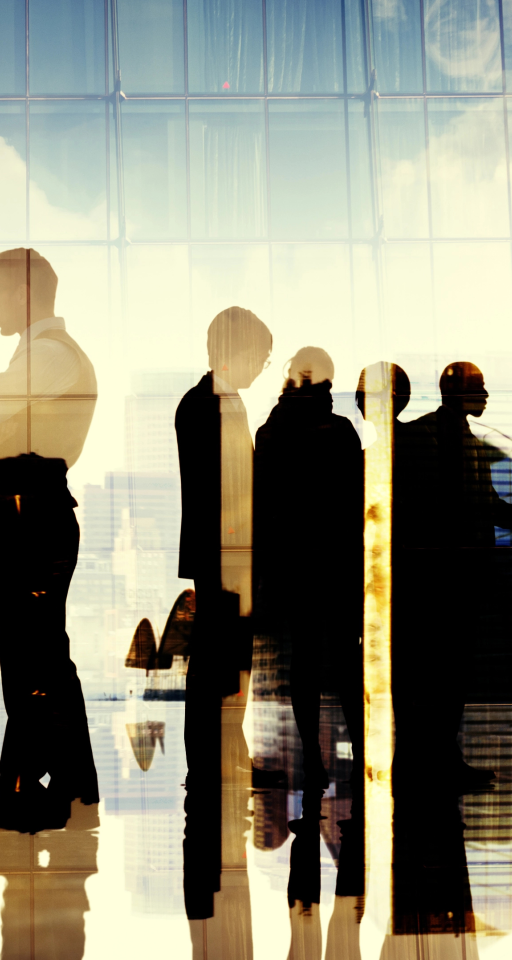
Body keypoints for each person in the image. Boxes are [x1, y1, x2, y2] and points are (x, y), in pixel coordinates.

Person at [0, 247, 100, 831]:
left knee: (28, 660)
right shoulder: (44, 354)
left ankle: (19, 791)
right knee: (44, 657)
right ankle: (74, 784)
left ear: (23, 292)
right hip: (30, 512)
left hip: (29, 516)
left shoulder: (48, 355)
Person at [394, 361, 512, 787]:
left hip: (458, 577)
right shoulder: (426, 439)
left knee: (448, 672)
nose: (486, 394)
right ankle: (430, 758)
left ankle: (437, 756)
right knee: (438, 671)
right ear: (455, 392)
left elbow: (485, 506)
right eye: (478, 386)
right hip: (437, 579)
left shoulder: (466, 443)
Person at [174, 306, 271, 923]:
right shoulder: (210, 405)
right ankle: (211, 763)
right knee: (218, 668)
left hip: (226, 555)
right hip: (226, 556)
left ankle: (221, 757)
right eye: (260, 355)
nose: (263, 366)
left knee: (224, 668)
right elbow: (228, 489)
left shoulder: (212, 401)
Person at [252, 348, 364, 795]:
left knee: (305, 659)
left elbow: (265, 503)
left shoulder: (272, 432)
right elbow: (356, 499)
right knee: (346, 658)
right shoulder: (341, 431)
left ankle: (313, 760)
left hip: (295, 561)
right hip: (337, 558)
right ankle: (360, 752)